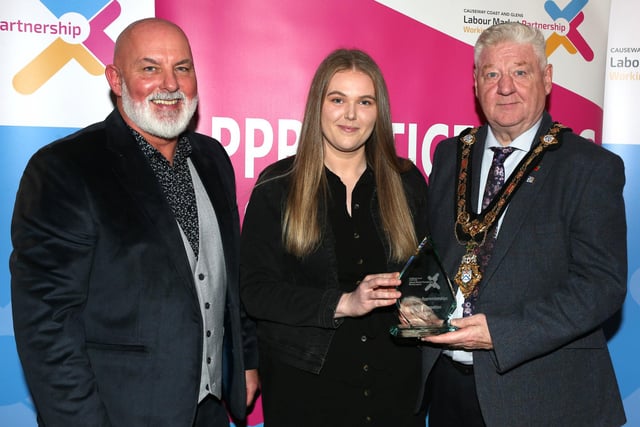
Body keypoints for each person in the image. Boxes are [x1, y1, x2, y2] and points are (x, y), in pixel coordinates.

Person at [10, 18, 258, 427]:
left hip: (211, 411)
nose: (169, 83)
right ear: (116, 79)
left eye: (182, 67)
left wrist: (243, 361)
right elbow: (48, 327)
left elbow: (230, 278)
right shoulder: (65, 168)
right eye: (149, 68)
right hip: (121, 412)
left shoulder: (214, 159)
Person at [420, 22, 627, 426]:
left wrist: (502, 333)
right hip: (448, 388)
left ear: (547, 79)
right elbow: (433, 255)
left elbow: (602, 285)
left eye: (520, 71)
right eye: (492, 73)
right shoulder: (450, 156)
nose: (505, 87)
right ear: (476, 82)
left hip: (543, 395)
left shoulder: (589, 167)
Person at [240, 49, 428, 426]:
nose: (351, 115)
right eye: (338, 99)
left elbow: (425, 277)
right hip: (305, 391)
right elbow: (255, 291)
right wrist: (342, 303)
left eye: (365, 102)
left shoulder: (407, 182)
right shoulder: (277, 187)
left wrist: (421, 311)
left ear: (379, 111)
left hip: (394, 393)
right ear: (318, 105)